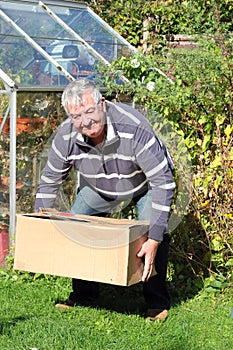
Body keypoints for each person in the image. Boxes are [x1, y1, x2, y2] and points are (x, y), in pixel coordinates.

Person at [35, 78, 176, 321]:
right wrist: (39, 223)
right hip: (100, 185)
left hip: (145, 183)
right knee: (78, 224)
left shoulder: (133, 128)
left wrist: (153, 237)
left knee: (153, 232)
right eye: (76, 116)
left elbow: (163, 182)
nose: (85, 121)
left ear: (103, 103)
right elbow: (50, 179)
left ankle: (156, 302)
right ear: (69, 115)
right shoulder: (66, 135)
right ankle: (84, 294)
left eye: (90, 111)